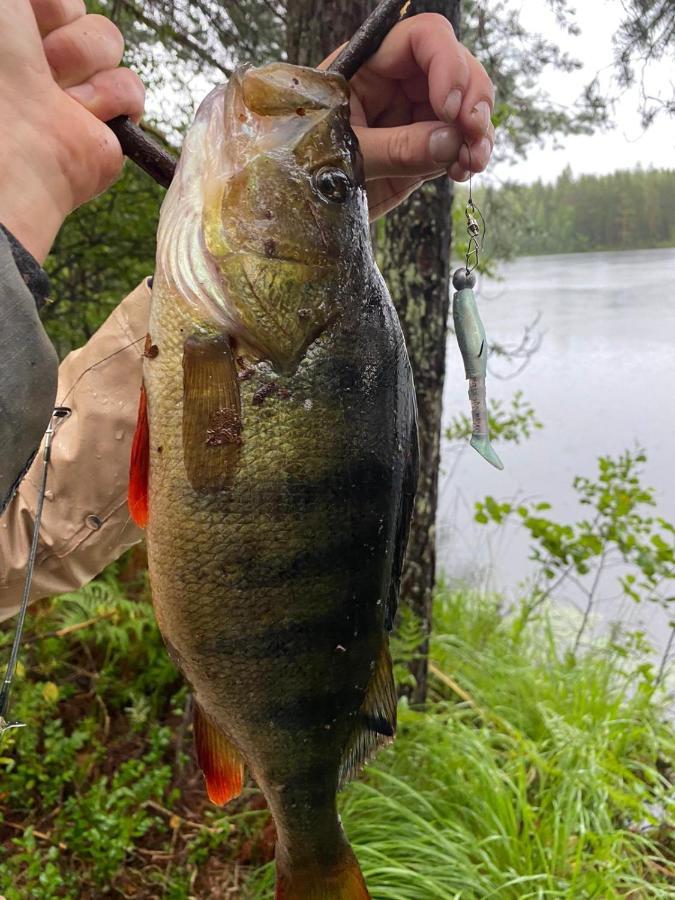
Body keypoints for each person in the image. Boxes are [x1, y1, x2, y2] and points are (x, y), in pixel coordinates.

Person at [0, 0, 495, 616]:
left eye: (330, 188)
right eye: (332, 188)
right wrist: (16, 200)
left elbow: (19, 531)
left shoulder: (230, 337)